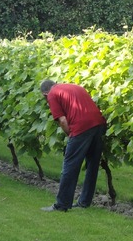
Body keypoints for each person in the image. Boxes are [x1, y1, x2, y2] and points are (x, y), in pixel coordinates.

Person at [39, 80, 107, 212]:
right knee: (92, 165)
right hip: (99, 124)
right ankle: (85, 201)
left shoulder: (52, 94)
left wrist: (71, 135)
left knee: (70, 165)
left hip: (81, 127)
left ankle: (62, 204)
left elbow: (63, 120)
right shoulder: (74, 86)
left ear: (45, 93)